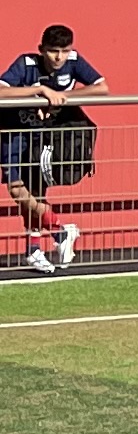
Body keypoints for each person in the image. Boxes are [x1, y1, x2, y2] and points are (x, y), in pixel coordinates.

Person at [0, 23, 103, 271]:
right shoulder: (26, 64)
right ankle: (60, 230)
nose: (59, 57)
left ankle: (34, 249)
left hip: (42, 138)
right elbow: (1, 90)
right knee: (17, 191)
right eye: (53, 50)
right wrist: (41, 91)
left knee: (36, 191)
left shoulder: (74, 62)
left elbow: (102, 87)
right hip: (12, 133)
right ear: (42, 50)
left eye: (64, 51)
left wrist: (65, 98)